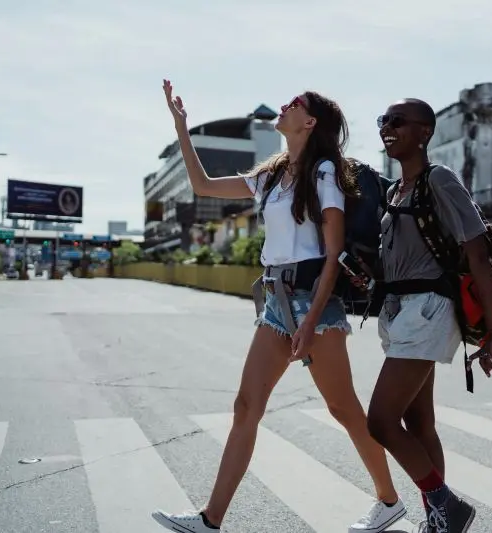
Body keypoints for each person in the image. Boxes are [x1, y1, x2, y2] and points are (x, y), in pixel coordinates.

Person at [151, 80, 406, 533]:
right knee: (246, 405)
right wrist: (181, 127)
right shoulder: (271, 175)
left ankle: (389, 501)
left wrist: (310, 321)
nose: (286, 105)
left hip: (316, 304)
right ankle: (211, 519)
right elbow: (202, 185)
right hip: (275, 302)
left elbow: (333, 253)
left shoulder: (324, 172)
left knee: (344, 409)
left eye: (296, 104)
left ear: (309, 122)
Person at [362, 99, 492, 533]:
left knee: (380, 421)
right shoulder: (393, 192)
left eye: (398, 122)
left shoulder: (439, 179)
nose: (388, 128)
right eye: (383, 120)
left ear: (424, 133)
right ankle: (438, 522)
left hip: (428, 309)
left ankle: (447, 506)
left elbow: (477, 252)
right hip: (398, 310)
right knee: (417, 422)